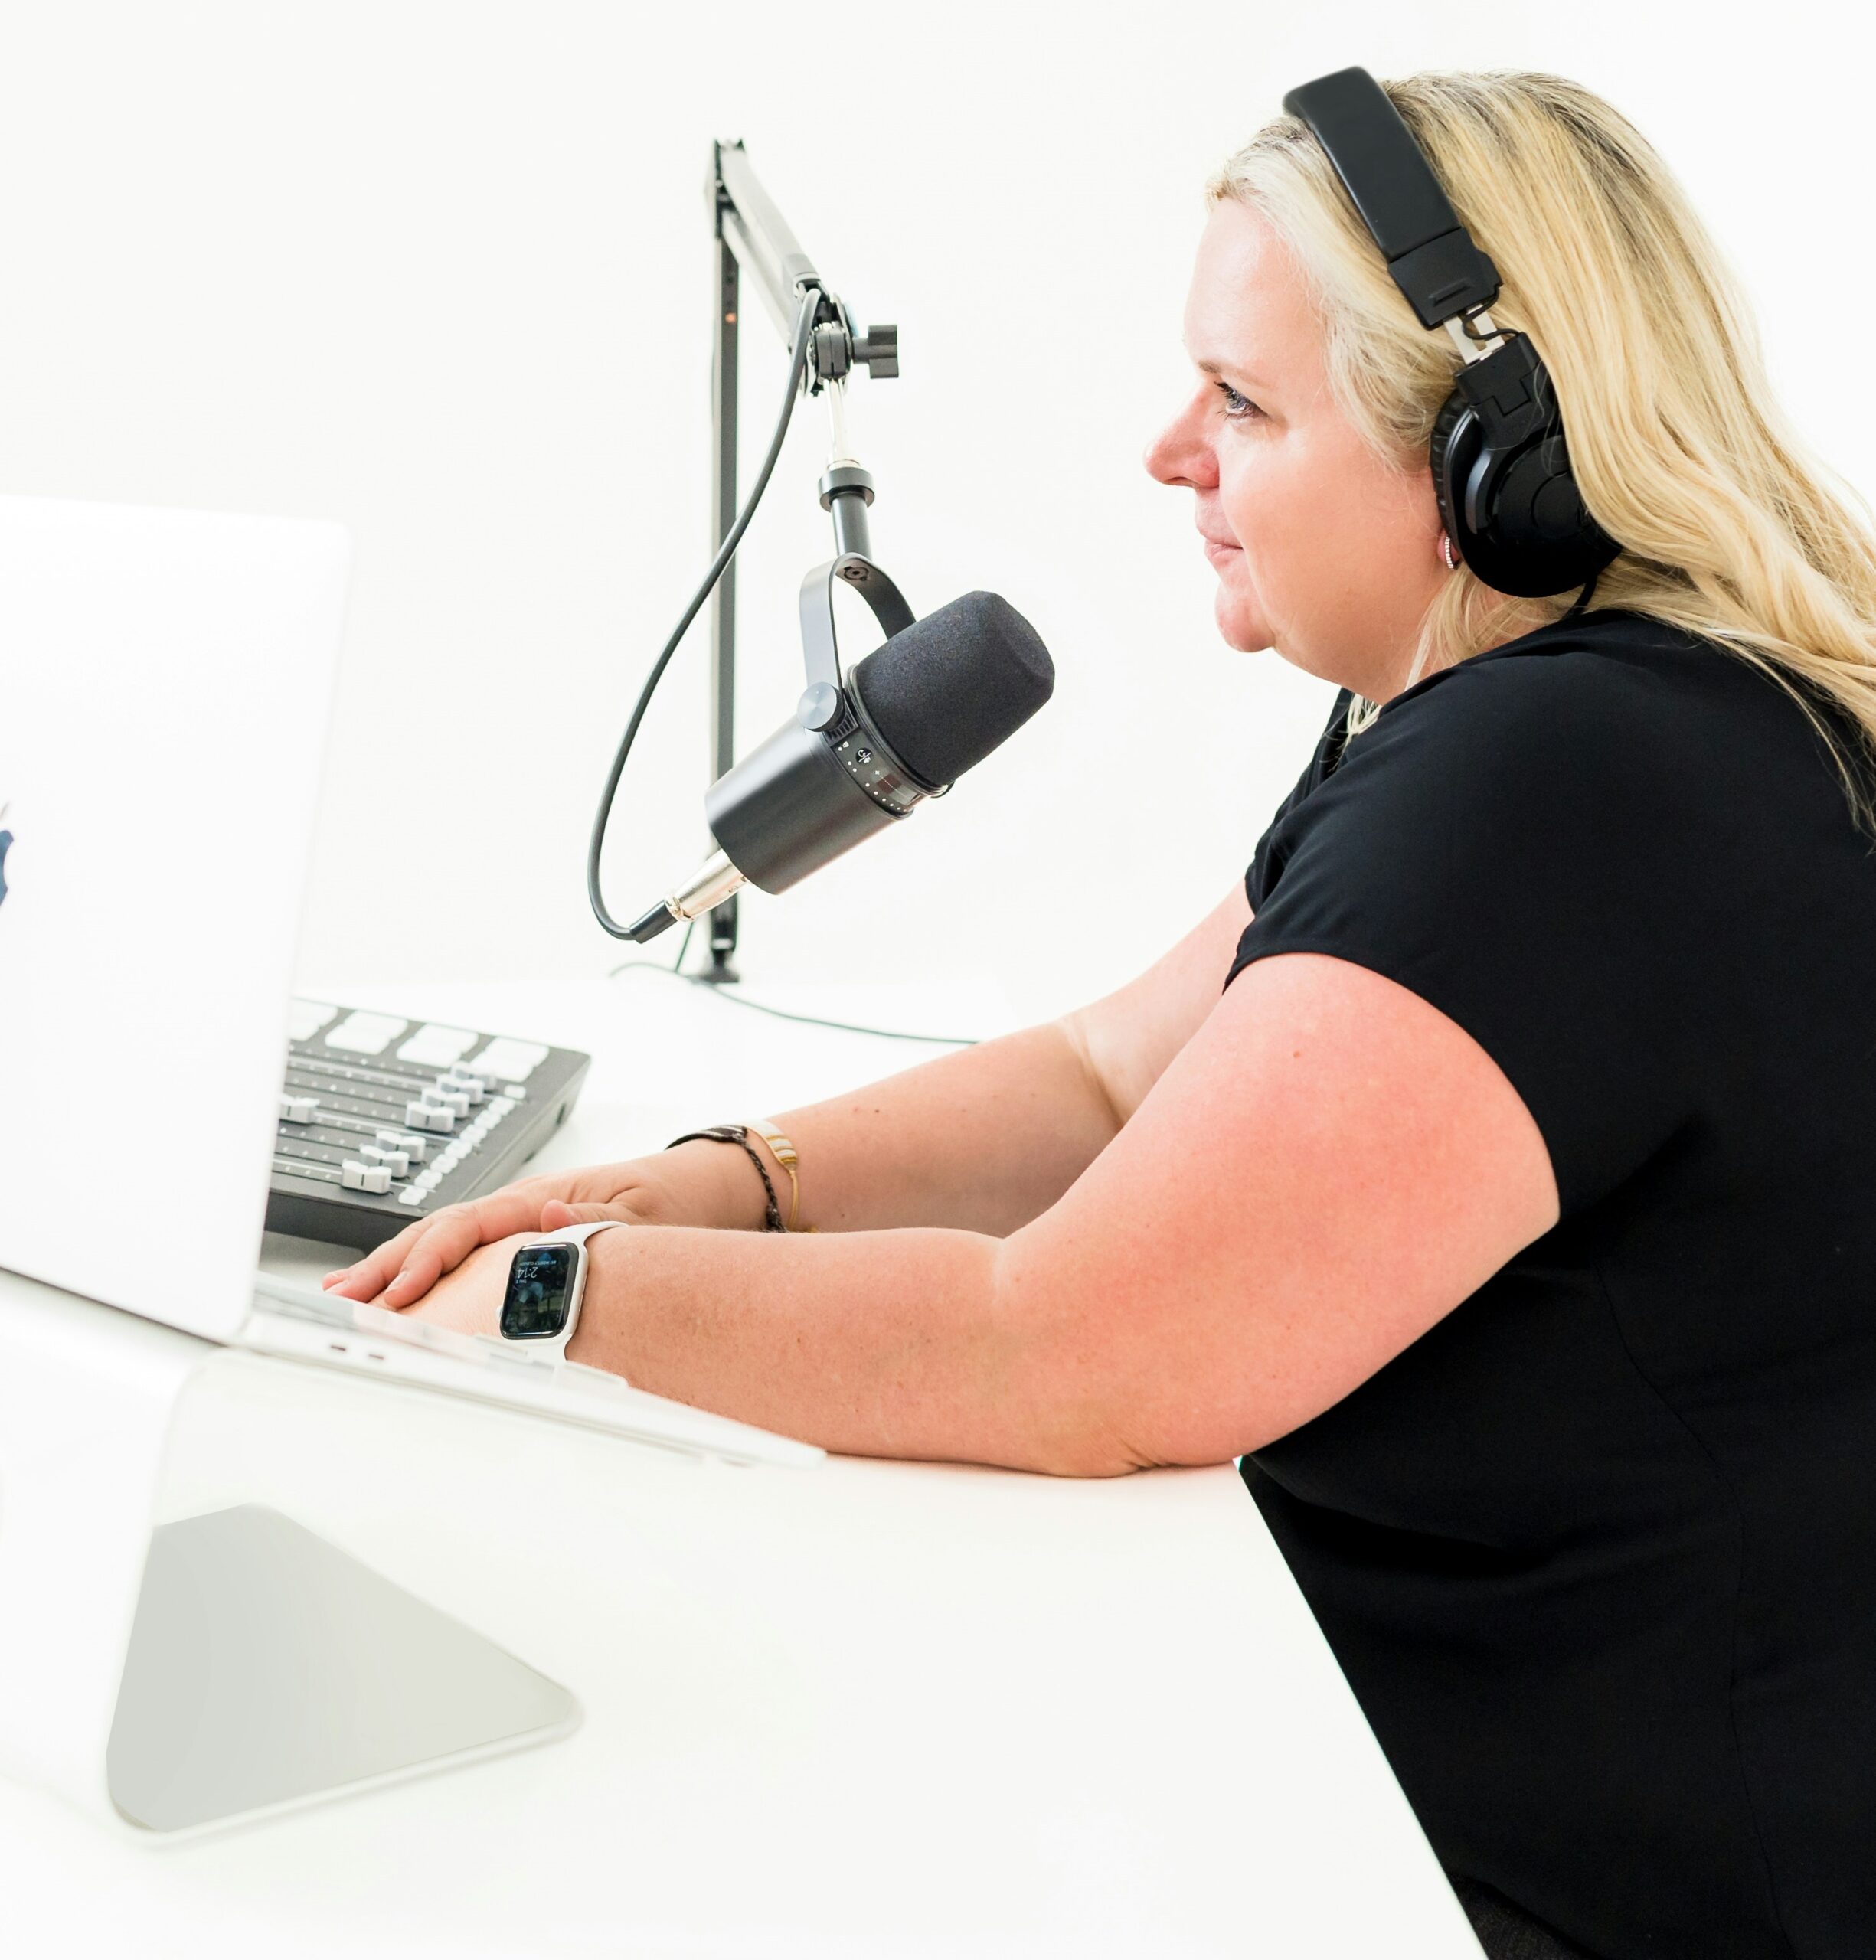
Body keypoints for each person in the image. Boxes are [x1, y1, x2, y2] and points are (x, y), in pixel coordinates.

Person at [325, 69, 1876, 1960]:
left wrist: (549, 1306)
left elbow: (1065, 1357)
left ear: (1495, 453)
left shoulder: (1555, 784)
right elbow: (1109, 1074)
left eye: (1242, 401)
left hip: (1584, 1892)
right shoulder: (1594, 714)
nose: (1168, 452)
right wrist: (718, 1182)